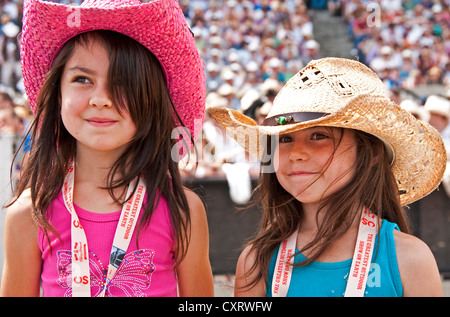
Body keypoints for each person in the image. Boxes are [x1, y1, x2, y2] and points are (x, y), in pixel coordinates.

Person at [1, 0, 213, 297]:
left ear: (152, 99)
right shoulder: (28, 215)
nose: (101, 98)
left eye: (123, 81)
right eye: (82, 79)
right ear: (57, 94)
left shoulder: (183, 210)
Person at [208, 57, 446, 297]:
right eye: (284, 139)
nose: (297, 154)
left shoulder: (410, 259)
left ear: (372, 152)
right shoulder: (256, 262)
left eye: (319, 135)